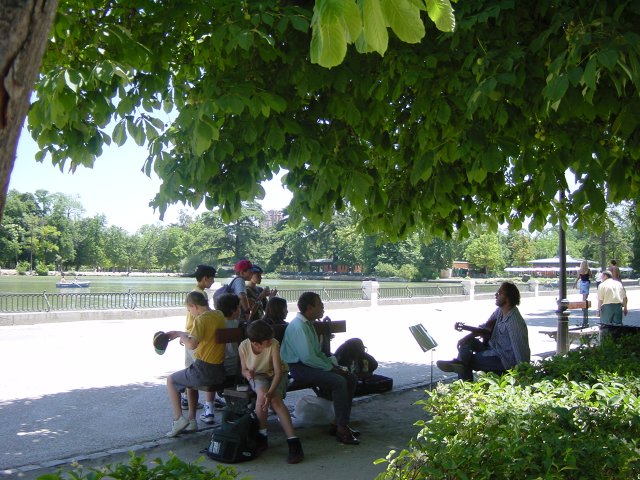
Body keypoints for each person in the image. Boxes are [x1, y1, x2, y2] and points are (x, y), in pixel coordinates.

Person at [280, 292, 359, 445]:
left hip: (311, 364)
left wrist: (334, 366)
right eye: (320, 304)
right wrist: (330, 369)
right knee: (339, 381)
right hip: (300, 368)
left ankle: (339, 422)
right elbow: (307, 357)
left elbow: (317, 354)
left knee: (350, 377)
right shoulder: (299, 327)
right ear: (310, 307)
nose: (323, 308)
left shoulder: (307, 324)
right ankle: (342, 428)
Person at [239, 320, 304, 464]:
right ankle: (262, 436)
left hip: (277, 375)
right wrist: (247, 373)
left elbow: (279, 372)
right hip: (258, 375)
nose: (270, 341)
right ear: (256, 344)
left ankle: (293, 442)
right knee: (261, 397)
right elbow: (243, 369)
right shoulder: (243, 346)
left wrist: (271, 392)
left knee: (274, 399)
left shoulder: (273, 343)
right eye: (266, 340)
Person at [436, 282, 530, 381]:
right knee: (468, 342)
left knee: (467, 362)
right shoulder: (499, 311)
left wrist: (523, 372)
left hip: (504, 359)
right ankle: (459, 363)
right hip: (492, 347)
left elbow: (520, 349)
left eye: (499, 293)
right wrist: (465, 338)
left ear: (507, 297)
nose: (496, 295)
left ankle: (465, 387)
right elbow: (485, 327)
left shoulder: (514, 322)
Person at [165, 291, 226, 437]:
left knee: (171, 380)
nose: (191, 314)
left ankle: (178, 419)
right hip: (219, 370)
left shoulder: (201, 319)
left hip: (204, 370)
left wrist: (181, 335)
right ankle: (192, 420)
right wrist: (183, 334)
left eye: (189, 310)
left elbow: (192, 345)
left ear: (193, 306)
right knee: (189, 376)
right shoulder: (218, 315)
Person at [181, 264, 220, 412]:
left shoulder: (194, 292)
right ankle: (190, 398)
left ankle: (187, 397)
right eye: (212, 278)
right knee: (195, 368)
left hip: (190, 331)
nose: (212, 281)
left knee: (189, 366)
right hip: (196, 333)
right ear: (205, 278)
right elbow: (205, 315)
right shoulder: (201, 295)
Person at [199, 293, 242, 424]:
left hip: (219, 370)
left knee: (207, 363)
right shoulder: (238, 325)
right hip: (236, 371)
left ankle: (209, 408)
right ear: (234, 310)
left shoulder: (217, 325)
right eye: (239, 307)